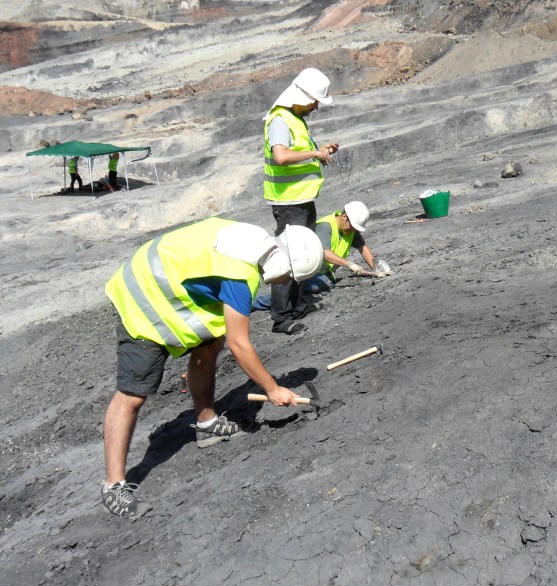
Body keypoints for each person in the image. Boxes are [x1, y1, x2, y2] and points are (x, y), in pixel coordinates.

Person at [100, 217, 324, 520]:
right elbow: (240, 344)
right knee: (134, 393)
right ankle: (113, 487)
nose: (287, 283)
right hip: (142, 294)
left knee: (210, 343)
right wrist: (271, 388)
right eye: (291, 277)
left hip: (169, 280)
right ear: (285, 265)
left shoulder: (254, 240)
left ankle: (207, 424)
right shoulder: (240, 275)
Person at [263, 67, 340, 335]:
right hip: (288, 202)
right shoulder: (280, 120)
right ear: (302, 96)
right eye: (314, 101)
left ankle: (298, 306)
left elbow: (298, 153)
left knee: (302, 253)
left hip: (302, 199)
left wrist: (320, 151)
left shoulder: (295, 119)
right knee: (288, 258)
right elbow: (281, 156)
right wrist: (314, 154)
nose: (316, 107)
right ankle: (282, 318)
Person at [251, 200, 390, 310]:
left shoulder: (350, 230)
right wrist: (349, 264)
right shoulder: (326, 227)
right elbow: (324, 253)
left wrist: (376, 268)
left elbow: (363, 248)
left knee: (321, 284)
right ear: (344, 217)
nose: (353, 231)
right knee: (300, 290)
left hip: (322, 272)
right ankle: (255, 304)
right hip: (307, 270)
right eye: (352, 227)